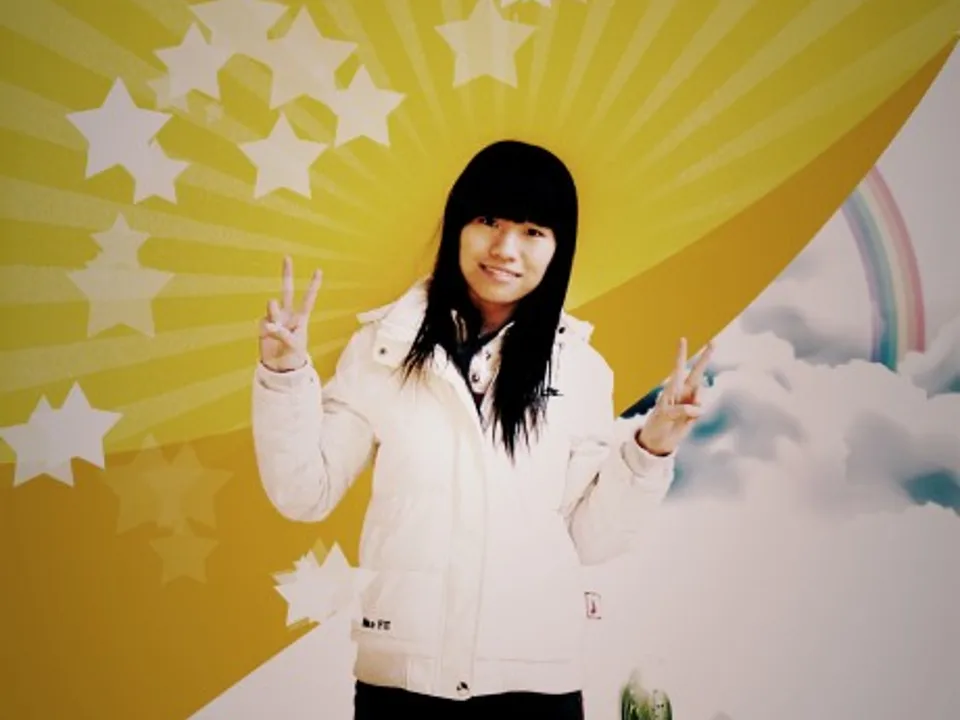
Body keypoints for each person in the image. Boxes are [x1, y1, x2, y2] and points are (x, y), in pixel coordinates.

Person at [251, 140, 712, 719]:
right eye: (489, 221)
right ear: (458, 226)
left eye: (532, 231)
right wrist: (284, 375)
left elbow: (590, 539)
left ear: (558, 247)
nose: (504, 249)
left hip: (534, 687)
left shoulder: (580, 369)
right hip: (402, 682)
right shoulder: (381, 349)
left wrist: (651, 449)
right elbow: (304, 492)